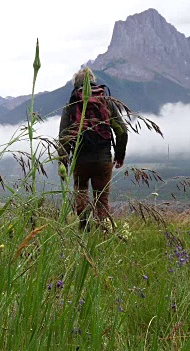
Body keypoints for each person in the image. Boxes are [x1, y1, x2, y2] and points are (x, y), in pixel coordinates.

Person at [58, 67, 128, 230]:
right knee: (101, 201)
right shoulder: (107, 102)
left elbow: (63, 137)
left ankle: (84, 230)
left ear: (76, 84)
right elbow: (122, 131)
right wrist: (119, 155)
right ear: (93, 82)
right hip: (103, 159)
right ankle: (104, 234)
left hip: (80, 160)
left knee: (81, 193)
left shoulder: (71, 104)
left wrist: (63, 163)